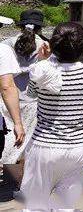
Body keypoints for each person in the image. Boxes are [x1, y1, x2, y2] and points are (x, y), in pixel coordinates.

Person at [20, 22, 83, 211]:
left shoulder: (42, 71)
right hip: (78, 148)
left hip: (44, 146)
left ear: (54, 44)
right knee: (65, 205)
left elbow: (30, 96)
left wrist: (42, 60)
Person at [0, 10, 48, 190]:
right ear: (40, 27)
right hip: (31, 98)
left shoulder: (6, 44)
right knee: (26, 141)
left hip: (6, 100)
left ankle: (7, 175)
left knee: (7, 138)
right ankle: (21, 182)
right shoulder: (44, 45)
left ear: (20, 25)